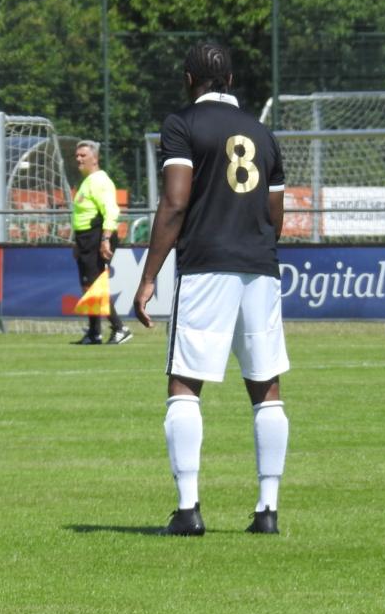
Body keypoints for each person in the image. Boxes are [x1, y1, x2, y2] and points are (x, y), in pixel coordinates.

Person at [133, 42, 288, 536]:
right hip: (260, 269)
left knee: (184, 382)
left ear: (188, 79)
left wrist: (149, 276)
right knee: (266, 388)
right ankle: (267, 510)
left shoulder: (182, 125)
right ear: (231, 79)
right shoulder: (264, 135)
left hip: (205, 267)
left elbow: (175, 203)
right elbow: (275, 216)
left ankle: (187, 510)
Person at [71, 140, 131, 345]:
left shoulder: (99, 181)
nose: (78, 159)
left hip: (97, 237)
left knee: (96, 286)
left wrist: (105, 240)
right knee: (88, 286)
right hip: (85, 239)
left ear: (94, 158)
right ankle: (94, 332)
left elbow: (111, 211)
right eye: (77, 155)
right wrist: (77, 244)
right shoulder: (87, 181)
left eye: (83, 155)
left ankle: (120, 328)